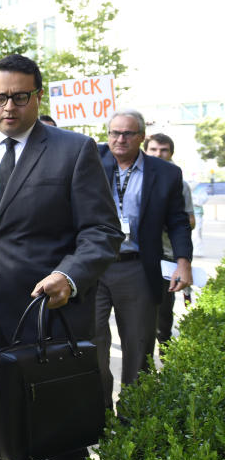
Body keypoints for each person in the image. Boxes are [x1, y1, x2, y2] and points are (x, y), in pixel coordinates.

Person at [0, 54, 122, 460]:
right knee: (3, 434)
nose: (8, 106)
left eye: (19, 96)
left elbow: (102, 231)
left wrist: (69, 275)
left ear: (39, 96)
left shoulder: (74, 151)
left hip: (50, 323)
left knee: (64, 436)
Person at [95, 111, 192, 406]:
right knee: (92, 348)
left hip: (137, 266)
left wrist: (183, 262)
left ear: (141, 137)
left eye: (127, 134)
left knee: (138, 348)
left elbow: (177, 221)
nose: (119, 139)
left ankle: (132, 420)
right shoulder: (91, 160)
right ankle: (99, 416)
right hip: (94, 266)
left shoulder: (166, 174)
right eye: (114, 133)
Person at [144, 133, 195, 353]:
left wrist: (161, 221)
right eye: (154, 149)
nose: (158, 154)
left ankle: (165, 352)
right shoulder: (135, 177)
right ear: (145, 150)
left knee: (164, 312)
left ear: (171, 153)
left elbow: (188, 221)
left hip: (166, 257)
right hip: (135, 258)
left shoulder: (178, 181)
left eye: (163, 150)